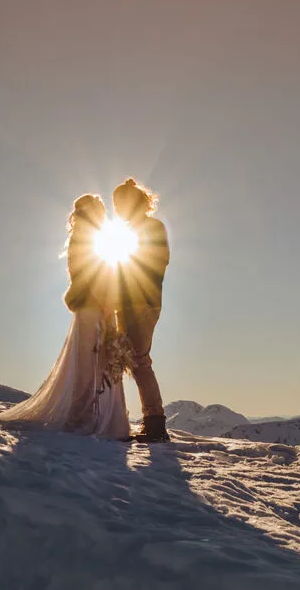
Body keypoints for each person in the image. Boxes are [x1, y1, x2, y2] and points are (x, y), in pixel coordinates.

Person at [0, 194, 131, 439]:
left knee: (102, 362)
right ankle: (85, 417)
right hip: (93, 308)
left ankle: (103, 419)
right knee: (89, 363)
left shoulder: (91, 238)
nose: (102, 213)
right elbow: (89, 275)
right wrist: (105, 303)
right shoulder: (85, 239)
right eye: (98, 210)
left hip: (100, 307)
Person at [113, 178, 171, 443]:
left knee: (139, 360)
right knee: (129, 360)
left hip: (142, 303)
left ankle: (156, 424)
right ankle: (146, 420)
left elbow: (155, 264)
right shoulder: (131, 231)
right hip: (129, 303)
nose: (117, 210)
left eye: (119, 204)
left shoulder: (151, 228)